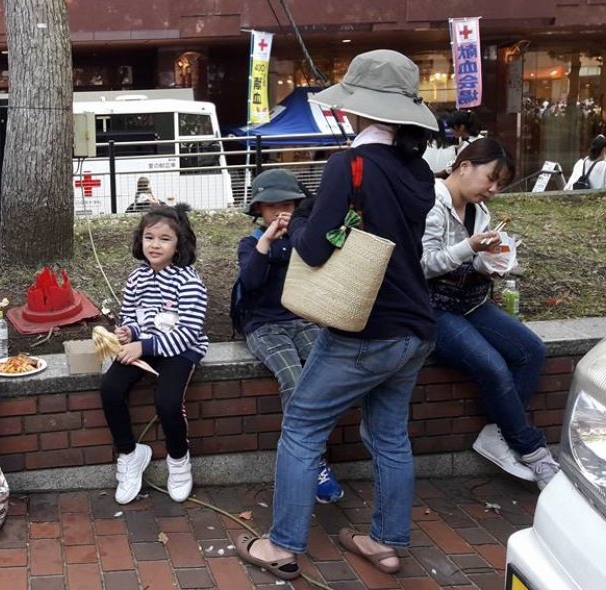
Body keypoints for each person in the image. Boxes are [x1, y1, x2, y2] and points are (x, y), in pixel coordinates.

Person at [236, 50, 439, 579]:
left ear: (357, 108)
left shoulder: (349, 163)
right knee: (390, 437)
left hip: (364, 325)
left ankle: (281, 545)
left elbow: (316, 249)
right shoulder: (416, 168)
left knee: (302, 426)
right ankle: (386, 543)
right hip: (416, 324)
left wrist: (298, 225)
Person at [421, 138, 558, 489]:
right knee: (492, 365)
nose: (494, 189)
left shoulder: (479, 210)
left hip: (470, 300)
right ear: (464, 166)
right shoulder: (430, 202)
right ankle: (534, 452)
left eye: (500, 182)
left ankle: (497, 434)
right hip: (432, 307)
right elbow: (421, 265)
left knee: (531, 351)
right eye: (490, 178)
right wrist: (469, 246)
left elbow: (476, 260)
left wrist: (493, 260)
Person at [235, 169, 344, 504]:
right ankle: (305, 461)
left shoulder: (307, 240)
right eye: (270, 206)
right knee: (292, 378)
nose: (280, 211)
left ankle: (314, 453)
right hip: (263, 324)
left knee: (325, 375)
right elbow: (250, 282)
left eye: (288, 205)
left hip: (304, 319)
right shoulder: (250, 243)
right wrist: (268, 242)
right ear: (257, 210)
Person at [100, 204, 209, 505]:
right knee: (110, 388)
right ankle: (130, 454)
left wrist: (143, 346)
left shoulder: (189, 282)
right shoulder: (137, 278)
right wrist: (128, 333)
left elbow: (187, 332)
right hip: (143, 346)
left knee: (168, 401)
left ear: (179, 244)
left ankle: (178, 459)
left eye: (164, 239)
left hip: (180, 349)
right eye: (149, 237)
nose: (155, 245)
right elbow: (131, 318)